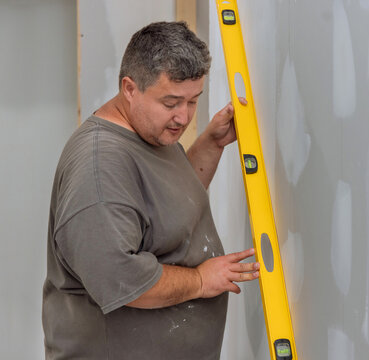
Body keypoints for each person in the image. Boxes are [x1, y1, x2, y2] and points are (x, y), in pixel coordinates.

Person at [42, 21, 259, 359]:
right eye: (171, 102)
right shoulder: (99, 166)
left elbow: (163, 209)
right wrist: (200, 281)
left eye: (193, 101)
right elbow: (122, 280)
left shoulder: (152, 132)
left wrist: (211, 145)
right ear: (130, 88)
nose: (183, 117)